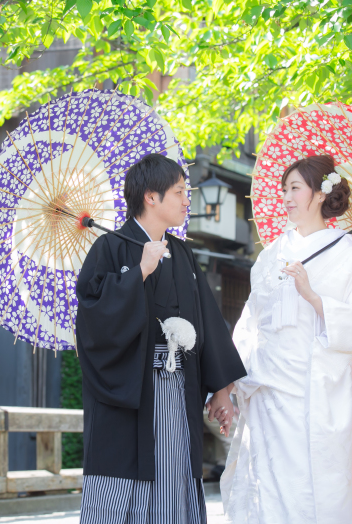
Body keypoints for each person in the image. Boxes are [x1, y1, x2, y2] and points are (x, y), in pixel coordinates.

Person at [76, 153, 247, 523]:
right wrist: (137, 273)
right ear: (151, 197)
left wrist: (220, 389)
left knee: (172, 474)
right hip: (128, 392)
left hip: (177, 386)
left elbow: (208, 322)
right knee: (121, 478)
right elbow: (92, 318)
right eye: (180, 192)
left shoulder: (182, 254)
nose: (188, 200)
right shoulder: (109, 248)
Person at [220, 154, 352, 523]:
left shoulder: (346, 253)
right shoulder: (272, 253)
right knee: (265, 484)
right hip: (266, 386)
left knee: (309, 488)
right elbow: (250, 320)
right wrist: (233, 378)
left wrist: (314, 297)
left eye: (295, 188)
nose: (287, 197)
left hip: (313, 388)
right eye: (284, 190)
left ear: (321, 193)